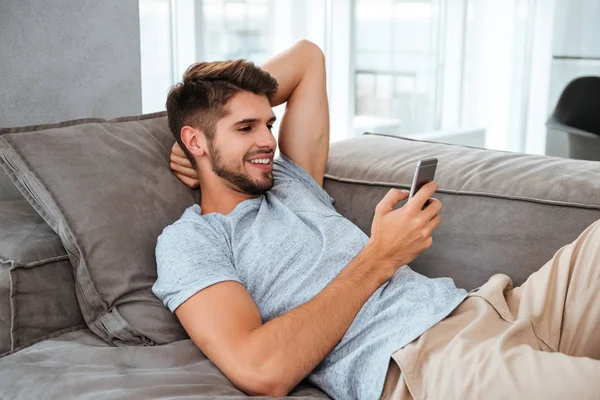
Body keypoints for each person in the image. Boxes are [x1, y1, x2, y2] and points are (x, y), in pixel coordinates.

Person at [153, 40, 600, 400]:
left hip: (495, 309)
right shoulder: (192, 241)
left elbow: (308, 57)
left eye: (268, 123)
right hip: (428, 362)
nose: (269, 140)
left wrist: (218, 142)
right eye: (246, 128)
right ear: (194, 139)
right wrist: (381, 257)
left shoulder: (287, 179)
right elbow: (261, 369)